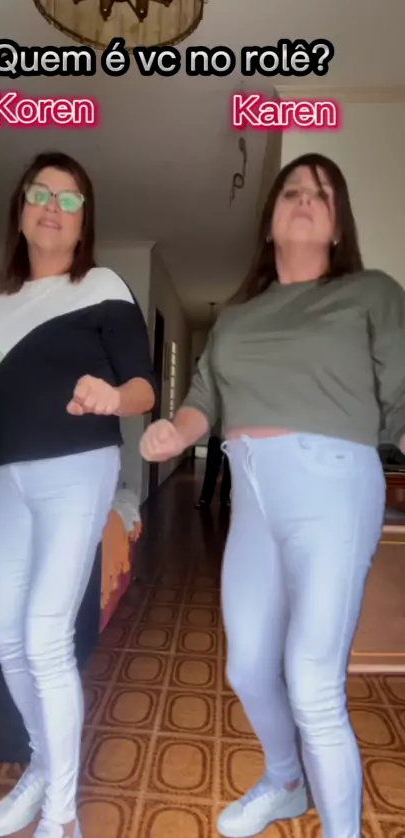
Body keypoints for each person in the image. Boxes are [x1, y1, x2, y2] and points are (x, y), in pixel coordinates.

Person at [139, 152, 405, 838]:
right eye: (292, 190)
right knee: (249, 668)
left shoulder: (371, 294)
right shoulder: (236, 318)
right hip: (253, 495)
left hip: (333, 486)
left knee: (312, 682)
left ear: (339, 226)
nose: (305, 198)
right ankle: (286, 782)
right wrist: (174, 431)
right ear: (269, 222)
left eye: (322, 193)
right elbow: (203, 400)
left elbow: (401, 392)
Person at [0, 151, 156, 838]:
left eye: (69, 198)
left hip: (79, 469)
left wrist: (112, 396)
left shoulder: (103, 287)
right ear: (20, 210)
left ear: (84, 221)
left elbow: (144, 387)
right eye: (40, 194)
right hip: (12, 478)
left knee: (46, 637)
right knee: (3, 632)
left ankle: (62, 816)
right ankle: (42, 762)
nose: (53, 207)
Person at [195, 416, 231, 508]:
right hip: (216, 436)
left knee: (229, 469)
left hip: (232, 438)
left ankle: (225, 499)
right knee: (211, 468)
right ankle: (205, 499)